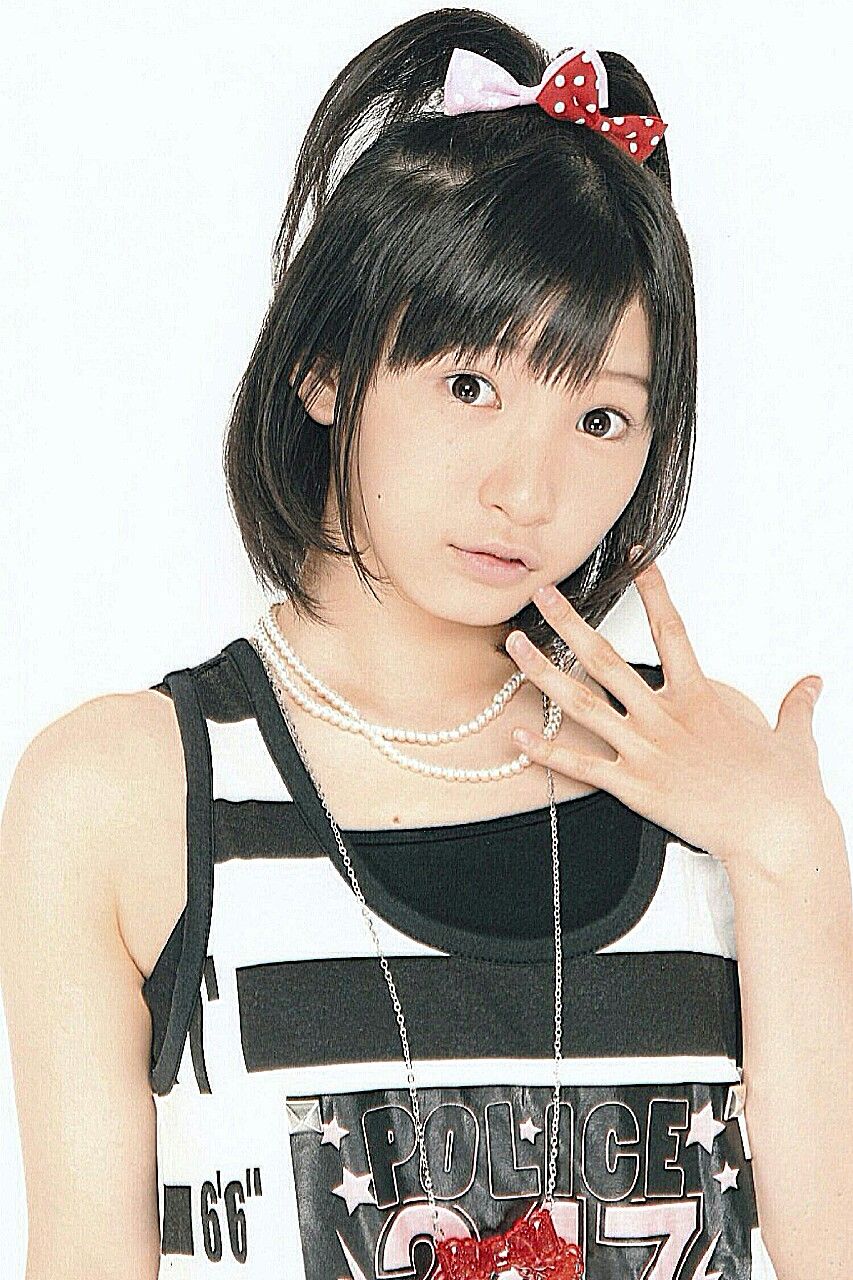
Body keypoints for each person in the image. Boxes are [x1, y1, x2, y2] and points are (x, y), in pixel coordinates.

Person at [1, 9, 849, 1280]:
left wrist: (789, 852)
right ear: (324, 366)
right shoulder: (123, 790)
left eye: (601, 417)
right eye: (469, 386)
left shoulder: (702, 769)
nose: (529, 489)